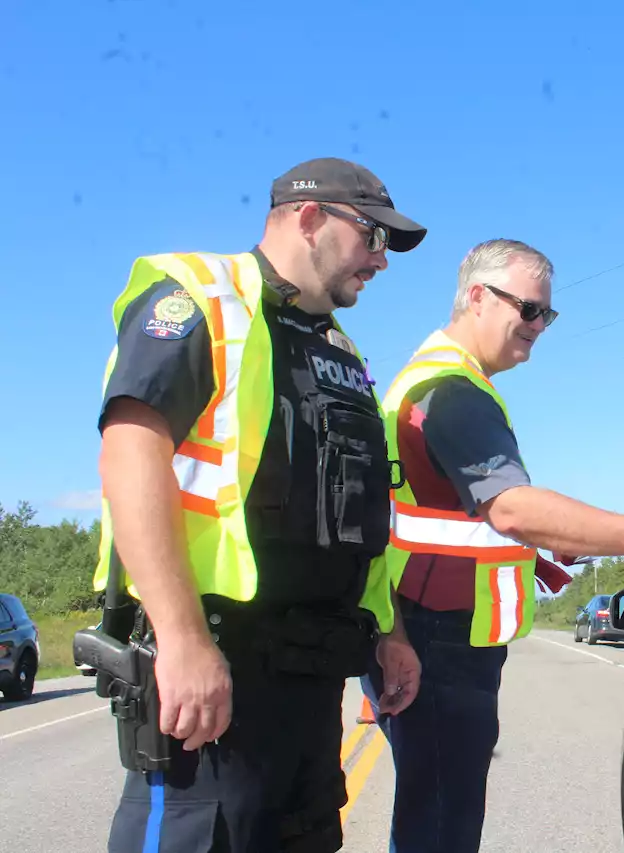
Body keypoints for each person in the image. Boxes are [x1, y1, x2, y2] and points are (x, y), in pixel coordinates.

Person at [94, 157, 428, 853]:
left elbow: (356, 510)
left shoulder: (339, 351)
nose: (381, 260)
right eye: (372, 236)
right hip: (216, 663)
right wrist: (183, 638)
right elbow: (131, 449)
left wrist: (387, 632)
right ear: (308, 218)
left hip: (311, 677)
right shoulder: (200, 296)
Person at [362, 237, 624, 853]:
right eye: (530, 309)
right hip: (443, 641)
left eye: (548, 314)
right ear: (477, 297)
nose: (540, 325)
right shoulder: (455, 391)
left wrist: (543, 548)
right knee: (441, 826)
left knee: (434, 813)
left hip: (425, 628)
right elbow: (509, 507)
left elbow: (437, 517)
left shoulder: (422, 381)